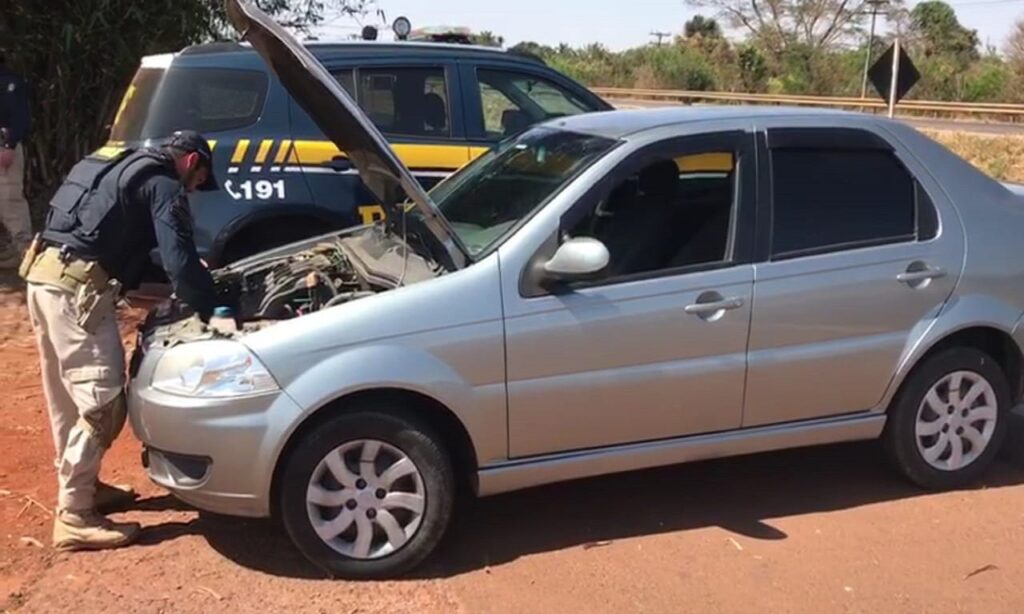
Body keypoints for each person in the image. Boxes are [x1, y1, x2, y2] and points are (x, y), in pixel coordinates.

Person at [20, 130, 220, 551]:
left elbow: (109, 236)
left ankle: (85, 484)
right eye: (201, 178)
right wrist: (213, 305)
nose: (198, 187)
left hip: (42, 278)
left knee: (67, 397)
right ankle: (74, 513)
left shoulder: (115, 162)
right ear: (191, 163)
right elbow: (179, 262)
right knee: (103, 404)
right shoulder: (165, 183)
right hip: (79, 292)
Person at [0, 52, 32, 268]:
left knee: (9, 198)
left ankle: (24, 251)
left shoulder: (9, 82)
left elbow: (20, 116)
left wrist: (9, 145)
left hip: (3, 145)